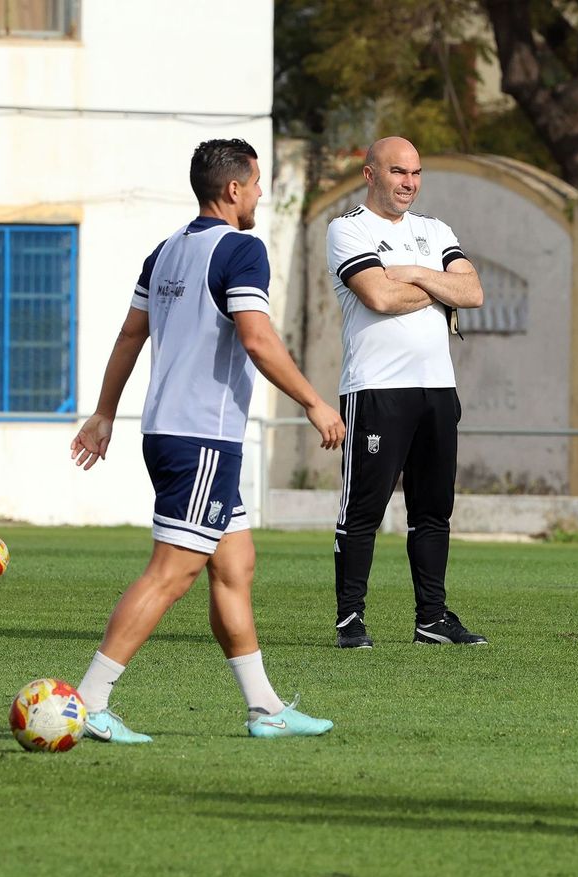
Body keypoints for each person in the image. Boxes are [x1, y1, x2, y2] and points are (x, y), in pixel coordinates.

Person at [68, 139, 345, 743]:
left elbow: (128, 336)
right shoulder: (242, 250)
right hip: (201, 438)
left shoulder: (165, 251)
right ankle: (88, 700)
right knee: (171, 573)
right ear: (234, 190)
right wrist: (315, 402)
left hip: (172, 430)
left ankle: (264, 707)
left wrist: (105, 413)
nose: (262, 194)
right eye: (257, 183)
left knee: (235, 564)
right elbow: (258, 339)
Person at [326, 136, 486, 649]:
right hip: (376, 390)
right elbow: (377, 296)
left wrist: (416, 273)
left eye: (416, 173)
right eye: (398, 172)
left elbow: (474, 293)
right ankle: (351, 621)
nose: (409, 183)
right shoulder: (346, 229)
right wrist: (440, 286)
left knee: (434, 510)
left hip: (437, 391)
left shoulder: (434, 231)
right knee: (363, 511)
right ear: (370, 174)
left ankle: (432, 619)